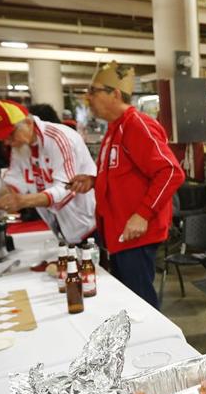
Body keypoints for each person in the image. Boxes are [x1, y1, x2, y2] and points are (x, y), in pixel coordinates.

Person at [69, 62, 184, 308]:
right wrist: (94, 181)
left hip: (136, 235)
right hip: (118, 234)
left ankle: (150, 334)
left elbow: (171, 172)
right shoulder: (115, 129)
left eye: (94, 91)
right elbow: (123, 175)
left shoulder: (136, 124)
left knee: (140, 305)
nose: (89, 98)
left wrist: (142, 214)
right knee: (126, 303)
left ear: (115, 94)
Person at [0, 99, 97, 245]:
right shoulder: (20, 145)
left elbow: (67, 189)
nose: (6, 142)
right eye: (3, 137)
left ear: (28, 123)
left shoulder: (59, 138)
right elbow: (15, 179)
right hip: (58, 224)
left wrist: (23, 201)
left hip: (88, 222)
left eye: (10, 134)